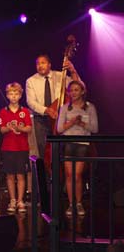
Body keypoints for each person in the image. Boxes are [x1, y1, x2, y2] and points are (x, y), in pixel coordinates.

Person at [26, 54, 80, 162]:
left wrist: (73, 71)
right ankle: (47, 176)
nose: (40, 66)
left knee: (62, 149)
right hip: (41, 120)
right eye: (38, 63)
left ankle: (61, 176)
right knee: (44, 150)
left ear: (49, 65)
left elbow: (78, 86)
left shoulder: (60, 76)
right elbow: (30, 102)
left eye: (43, 63)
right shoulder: (31, 81)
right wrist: (47, 110)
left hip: (59, 119)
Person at [57, 80, 98, 216]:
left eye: (76, 90)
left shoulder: (89, 107)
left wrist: (81, 123)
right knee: (69, 175)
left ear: (82, 91)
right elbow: (59, 129)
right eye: (71, 90)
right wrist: (72, 122)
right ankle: (70, 204)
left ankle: (79, 203)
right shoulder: (64, 108)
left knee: (77, 175)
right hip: (68, 143)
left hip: (82, 143)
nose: (73, 92)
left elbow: (95, 128)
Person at [0, 82, 32, 213]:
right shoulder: (3, 111)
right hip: (8, 148)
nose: (13, 96)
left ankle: (20, 200)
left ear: (20, 95)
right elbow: (2, 129)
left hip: (22, 148)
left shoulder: (25, 111)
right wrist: (9, 127)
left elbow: (29, 128)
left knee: (21, 175)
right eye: (11, 93)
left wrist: (20, 128)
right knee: (10, 176)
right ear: (7, 95)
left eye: (16, 93)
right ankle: (12, 200)